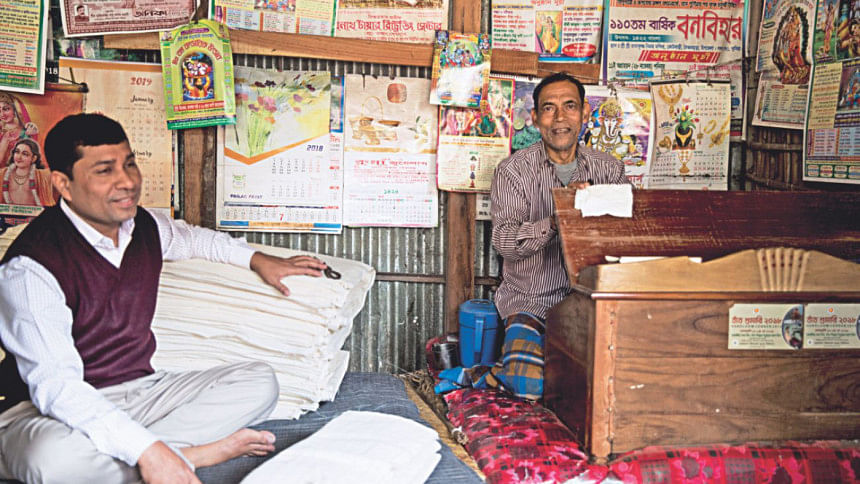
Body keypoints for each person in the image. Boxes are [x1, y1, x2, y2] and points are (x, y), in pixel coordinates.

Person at [0, 113, 330, 483]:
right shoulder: (30, 268)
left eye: (129, 164)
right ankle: (186, 456)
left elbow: (195, 239)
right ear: (64, 183)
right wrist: (146, 450)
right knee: (50, 460)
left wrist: (256, 258)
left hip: (141, 394)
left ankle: (151, 459)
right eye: (105, 171)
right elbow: (57, 387)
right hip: (47, 411)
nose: (128, 181)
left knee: (259, 382)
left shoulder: (144, 227)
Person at [489, 73, 630, 400]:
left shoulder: (609, 170)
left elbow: (626, 235)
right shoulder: (512, 171)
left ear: (584, 113)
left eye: (569, 106)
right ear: (535, 117)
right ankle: (481, 375)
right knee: (528, 384)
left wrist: (593, 210)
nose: (560, 118)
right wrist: (559, 218)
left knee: (613, 384)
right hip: (532, 302)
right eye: (549, 108)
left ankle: (504, 372)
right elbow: (505, 243)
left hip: (593, 302)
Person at [0, 138, 55, 206]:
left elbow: (57, 167)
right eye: (17, 152)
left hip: (35, 213)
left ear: (34, 158)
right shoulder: (3, 174)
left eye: (25, 154)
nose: (19, 157)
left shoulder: (42, 176)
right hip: (7, 213)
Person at [0, 92, 39, 167]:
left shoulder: (28, 131)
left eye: (6, 109)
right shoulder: (1, 131)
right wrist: (4, 142)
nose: (2, 114)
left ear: (15, 110)